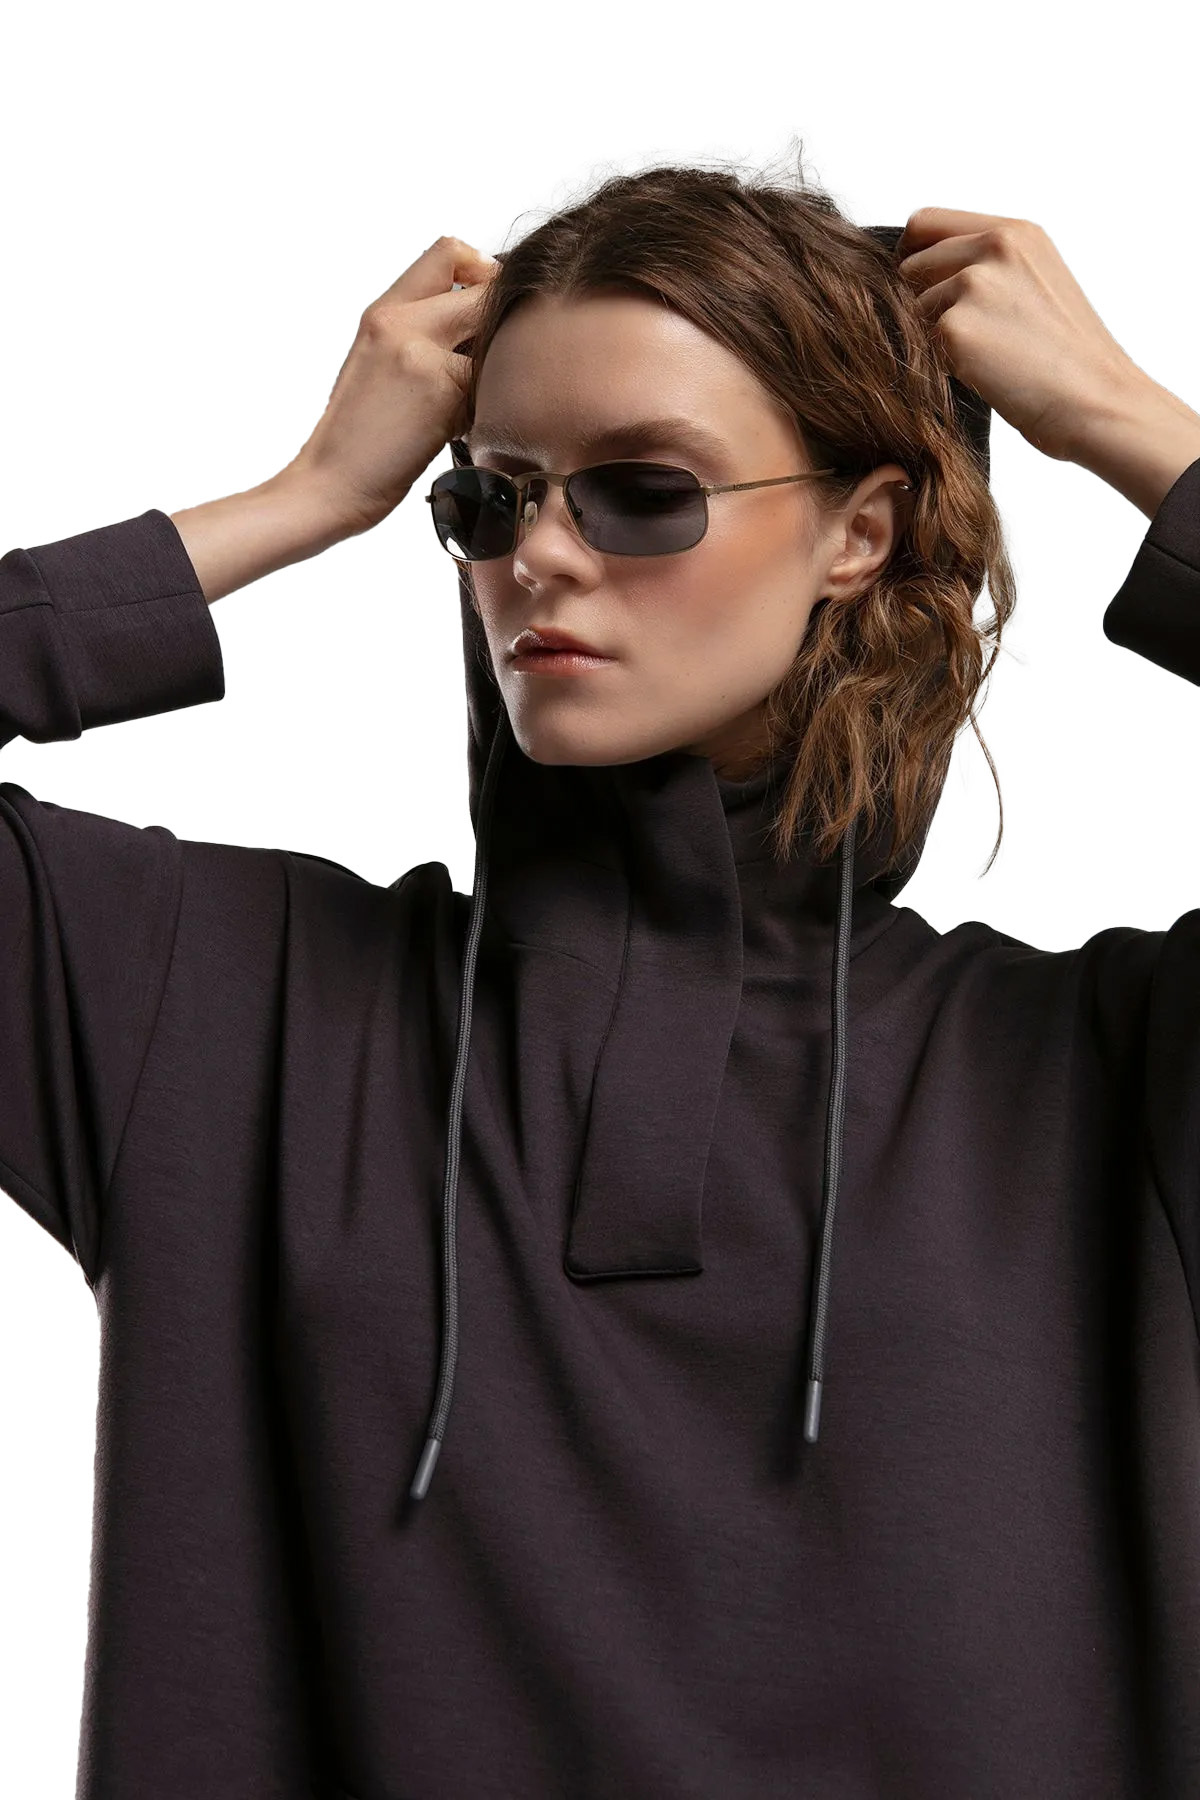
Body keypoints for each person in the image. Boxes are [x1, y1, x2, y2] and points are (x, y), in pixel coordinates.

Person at [3, 158, 1200, 1800]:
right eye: (493, 499)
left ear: (860, 530)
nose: (541, 559)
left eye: (643, 491)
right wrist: (304, 497)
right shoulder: (210, 1010)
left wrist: (1139, 430)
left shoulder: (1114, 1076)